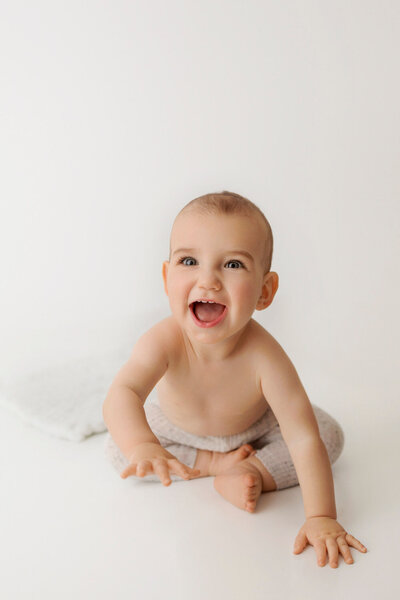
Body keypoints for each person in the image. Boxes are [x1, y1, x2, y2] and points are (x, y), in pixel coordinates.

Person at [103, 190, 367, 568]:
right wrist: (143, 444)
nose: (207, 280)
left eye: (233, 265)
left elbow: (302, 435)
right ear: (166, 277)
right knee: (120, 449)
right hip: (177, 428)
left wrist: (321, 517)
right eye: (189, 260)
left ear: (265, 291)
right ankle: (212, 464)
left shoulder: (265, 355)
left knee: (327, 436)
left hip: (255, 428)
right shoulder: (163, 340)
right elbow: (122, 393)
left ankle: (249, 469)